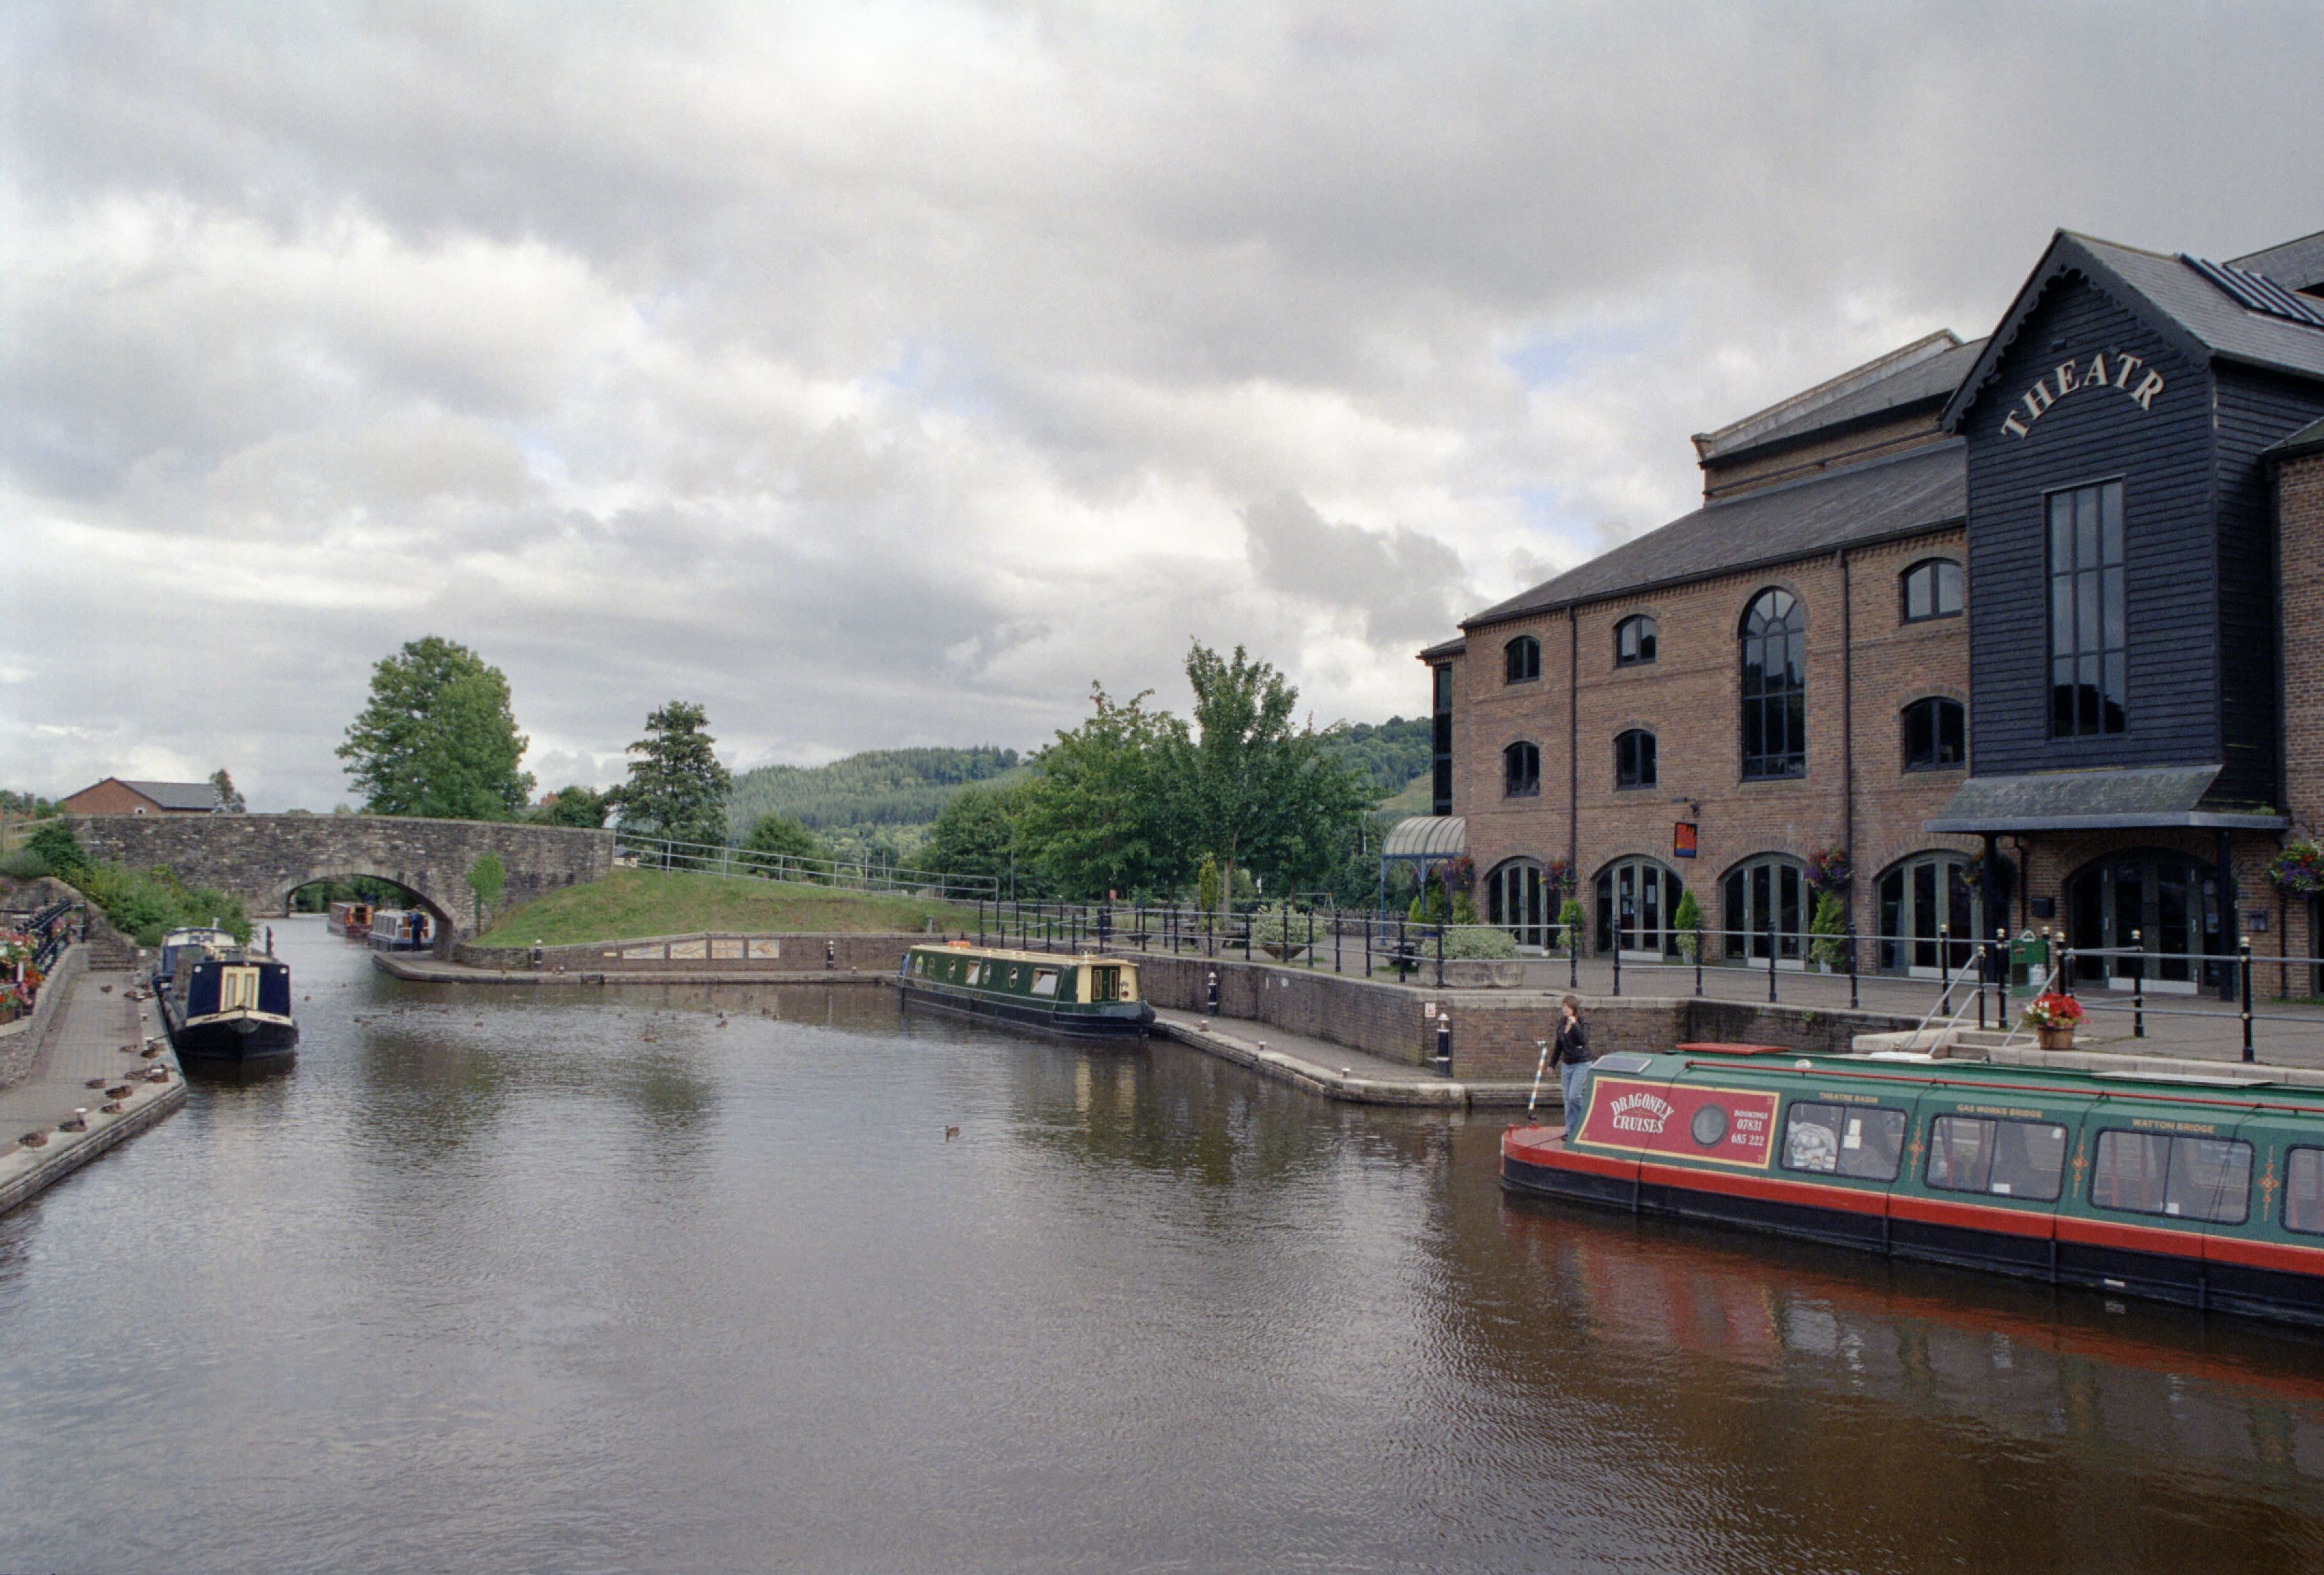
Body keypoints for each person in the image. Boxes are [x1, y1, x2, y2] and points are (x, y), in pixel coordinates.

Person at [1550, 995, 1592, 1135]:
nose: (1565, 1010)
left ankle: (1588, 1116)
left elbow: (1584, 1040)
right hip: (1567, 1065)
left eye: (1567, 1007)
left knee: (1574, 1096)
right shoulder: (1561, 1023)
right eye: (1563, 1007)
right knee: (1567, 1099)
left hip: (1582, 1064)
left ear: (1574, 1008)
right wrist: (1552, 1063)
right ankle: (1570, 1131)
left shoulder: (1582, 1023)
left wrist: (1575, 1025)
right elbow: (1559, 1045)